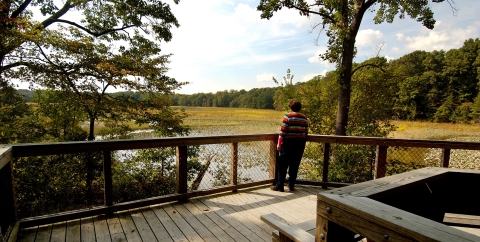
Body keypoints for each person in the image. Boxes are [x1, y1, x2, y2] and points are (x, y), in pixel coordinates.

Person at [272, 99, 309, 192]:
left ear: (290, 107)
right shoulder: (304, 118)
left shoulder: (288, 117)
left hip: (288, 144)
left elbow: (283, 131)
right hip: (300, 144)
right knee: (295, 165)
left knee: (283, 165)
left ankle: (280, 186)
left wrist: (279, 144)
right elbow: (306, 133)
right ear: (300, 108)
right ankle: (291, 185)